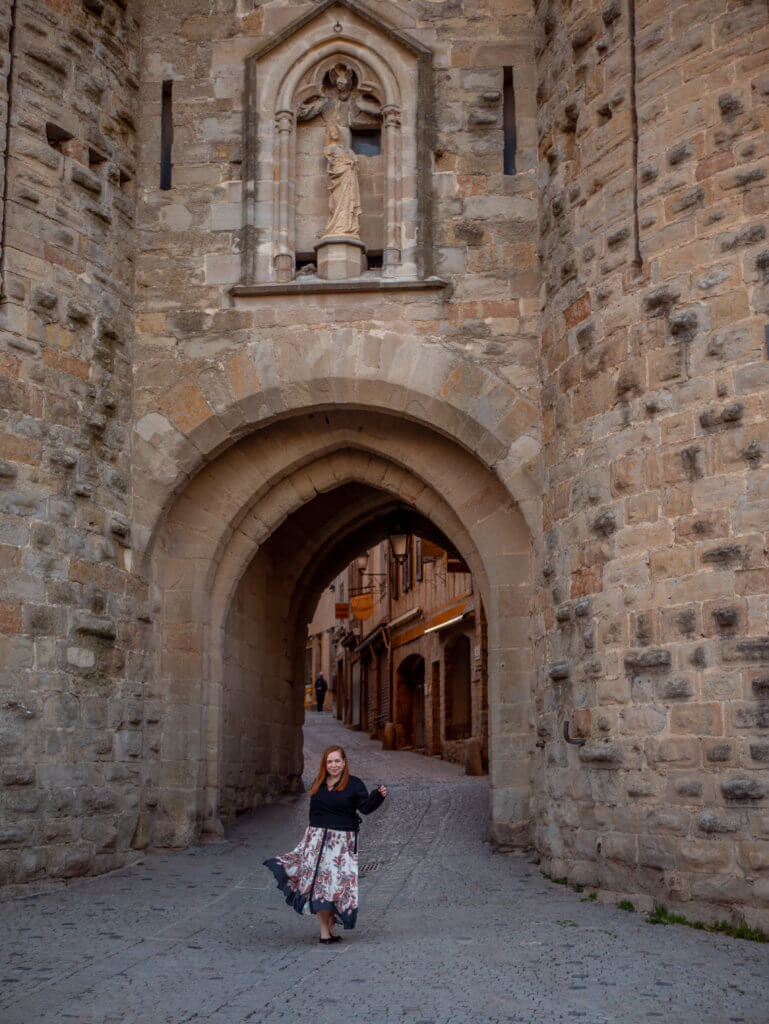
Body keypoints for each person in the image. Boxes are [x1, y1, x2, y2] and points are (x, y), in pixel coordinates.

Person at [263, 745, 387, 942]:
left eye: (337, 761)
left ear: (344, 762)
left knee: (337, 887)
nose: (334, 765)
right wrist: (310, 839)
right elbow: (314, 814)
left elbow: (365, 808)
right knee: (321, 887)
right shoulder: (319, 783)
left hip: (343, 845)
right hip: (317, 843)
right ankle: (324, 932)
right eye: (330, 762)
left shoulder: (354, 785)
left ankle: (331, 927)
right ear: (325, 764)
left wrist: (377, 797)